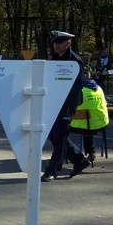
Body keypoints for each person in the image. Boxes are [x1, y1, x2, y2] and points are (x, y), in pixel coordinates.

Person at [42, 31, 90, 182]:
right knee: (54, 134)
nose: (57, 45)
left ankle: (52, 170)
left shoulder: (74, 61)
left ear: (68, 43)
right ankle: (80, 160)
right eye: (55, 42)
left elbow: (79, 84)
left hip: (67, 103)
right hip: (53, 102)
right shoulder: (54, 59)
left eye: (60, 42)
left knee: (60, 135)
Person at [69, 79, 109, 163]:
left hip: (83, 125)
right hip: (102, 124)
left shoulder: (80, 90)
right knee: (88, 125)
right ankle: (91, 152)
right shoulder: (99, 88)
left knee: (62, 130)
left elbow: (71, 106)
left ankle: (67, 154)